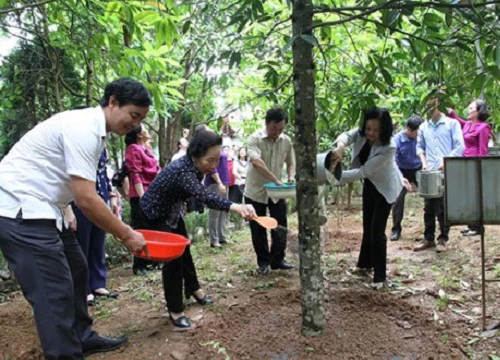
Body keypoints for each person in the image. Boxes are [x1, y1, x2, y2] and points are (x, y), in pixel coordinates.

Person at [0, 78, 151, 359]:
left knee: (77, 269)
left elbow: (63, 179)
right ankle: (66, 353)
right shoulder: (84, 128)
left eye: (140, 119)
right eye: (133, 115)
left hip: (47, 209)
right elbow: (87, 198)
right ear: (113, 102)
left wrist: (66, 209)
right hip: (21, 210)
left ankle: (82, 336)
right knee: (53, 292)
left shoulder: (94, 130)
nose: (135, 124)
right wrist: (126, 234)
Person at [137, 129, 256, 329]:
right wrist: (236, 206)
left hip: (173, 211)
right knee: (173, 260)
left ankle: (193, 289)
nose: (214, 164)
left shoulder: (198, 165)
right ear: (195, 155)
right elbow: (204, 195)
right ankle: (175, 309)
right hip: (155, 213)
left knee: (185, 250)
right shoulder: (183, 171)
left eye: (217, 159)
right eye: (210, 160)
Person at [332, 107, 410, 289]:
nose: (371, 133)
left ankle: (380, 277)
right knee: (367, 226)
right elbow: (346, 136)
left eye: (376, 130)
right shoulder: (361, 134)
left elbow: (364, 171)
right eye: (368, 129)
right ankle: (365, 264)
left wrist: (335, 175)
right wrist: (341, 146)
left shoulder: (389, 146)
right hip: (370, 185)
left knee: (377, 231)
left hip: (385, 189)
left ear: (384, 129)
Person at [244, 108, 296, 275]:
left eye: (281, 129)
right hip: (255, 191)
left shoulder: (286, 141)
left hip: (277, 192)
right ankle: (263, 263)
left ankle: (278, 260)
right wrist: (275, 179)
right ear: (267, 123)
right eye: (274, 128)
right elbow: (257, 163)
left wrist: (290, 177)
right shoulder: (254, 139)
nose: (277, 132)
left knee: (280, 226)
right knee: (258, 228)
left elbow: (291, 162)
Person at [414, 97, 465, 253]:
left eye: (432, 105)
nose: (429, 109)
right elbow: (420, 147)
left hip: (445, 171)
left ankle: (443, 238)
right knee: (428, 207)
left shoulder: (451, 124)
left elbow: (460, 146)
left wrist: (446, 160)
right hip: (429, 171)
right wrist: (423, 162)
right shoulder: (424, 126)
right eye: (427, 106)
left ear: (439, 105)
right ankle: (428, 238)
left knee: (442, 207)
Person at [71, 150, 120, 306]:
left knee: (98, 242)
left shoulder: (101, 145)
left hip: (100, 197)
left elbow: (103, 172)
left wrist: (112, 196)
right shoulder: (76, 144)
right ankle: (83, 289)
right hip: (80, 201)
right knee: (81, 245)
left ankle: (98, 284)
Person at [447, 100, 491, 236]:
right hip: (463, 163)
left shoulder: (483, 127)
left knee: (475, 196)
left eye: (471, 108)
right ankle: (471, 225)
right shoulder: (467, 125)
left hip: (474, 165)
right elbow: (456, 119)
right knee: (468, 195)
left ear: (478, 111)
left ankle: (478, 227)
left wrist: (479, 167)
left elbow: (483, 150)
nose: (468, 110)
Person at [125, 124, 161, 275]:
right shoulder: (134, 149)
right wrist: (143, 197)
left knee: (153, 227)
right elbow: (136, 174)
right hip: (141, 194)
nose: (147, 130)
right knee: (141, 229)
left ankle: (153, 259)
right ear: (139, 134)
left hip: (153, 192)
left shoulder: (147, 149)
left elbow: (157, 170)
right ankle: (139, 265)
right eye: (144, 128)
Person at [390, 115, 424, 241]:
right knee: (398, 199)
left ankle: (429, 231)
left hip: (418, 168)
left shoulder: (421, 137)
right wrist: (400, 177)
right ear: (409, 129)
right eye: (416, 131)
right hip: (401, 170)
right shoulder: (397, 140)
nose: (419, 134)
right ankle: (396, 230)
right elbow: (392, 160)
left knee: (430, 196)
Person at [203, 130, 231, 248]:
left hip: (224, 183)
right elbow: (212, 168)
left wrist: (225, 183)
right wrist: (219, 183)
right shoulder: (210, 151)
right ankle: (214, 240)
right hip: (215, 183)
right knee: (214, 211)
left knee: (224, 210)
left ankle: (222, 236)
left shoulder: (219, 149)